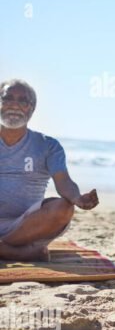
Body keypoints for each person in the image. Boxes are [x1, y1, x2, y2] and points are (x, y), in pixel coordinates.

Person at [0, 79, 99, 262]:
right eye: (8, 98)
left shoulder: (47, 145)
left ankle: (4, 247)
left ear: (31, 108)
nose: (15, 104)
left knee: (63, 207)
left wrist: (77, 198)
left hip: (26, 224)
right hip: (21, 239)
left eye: (23, 100)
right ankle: (17, 252)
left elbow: (64, 182)